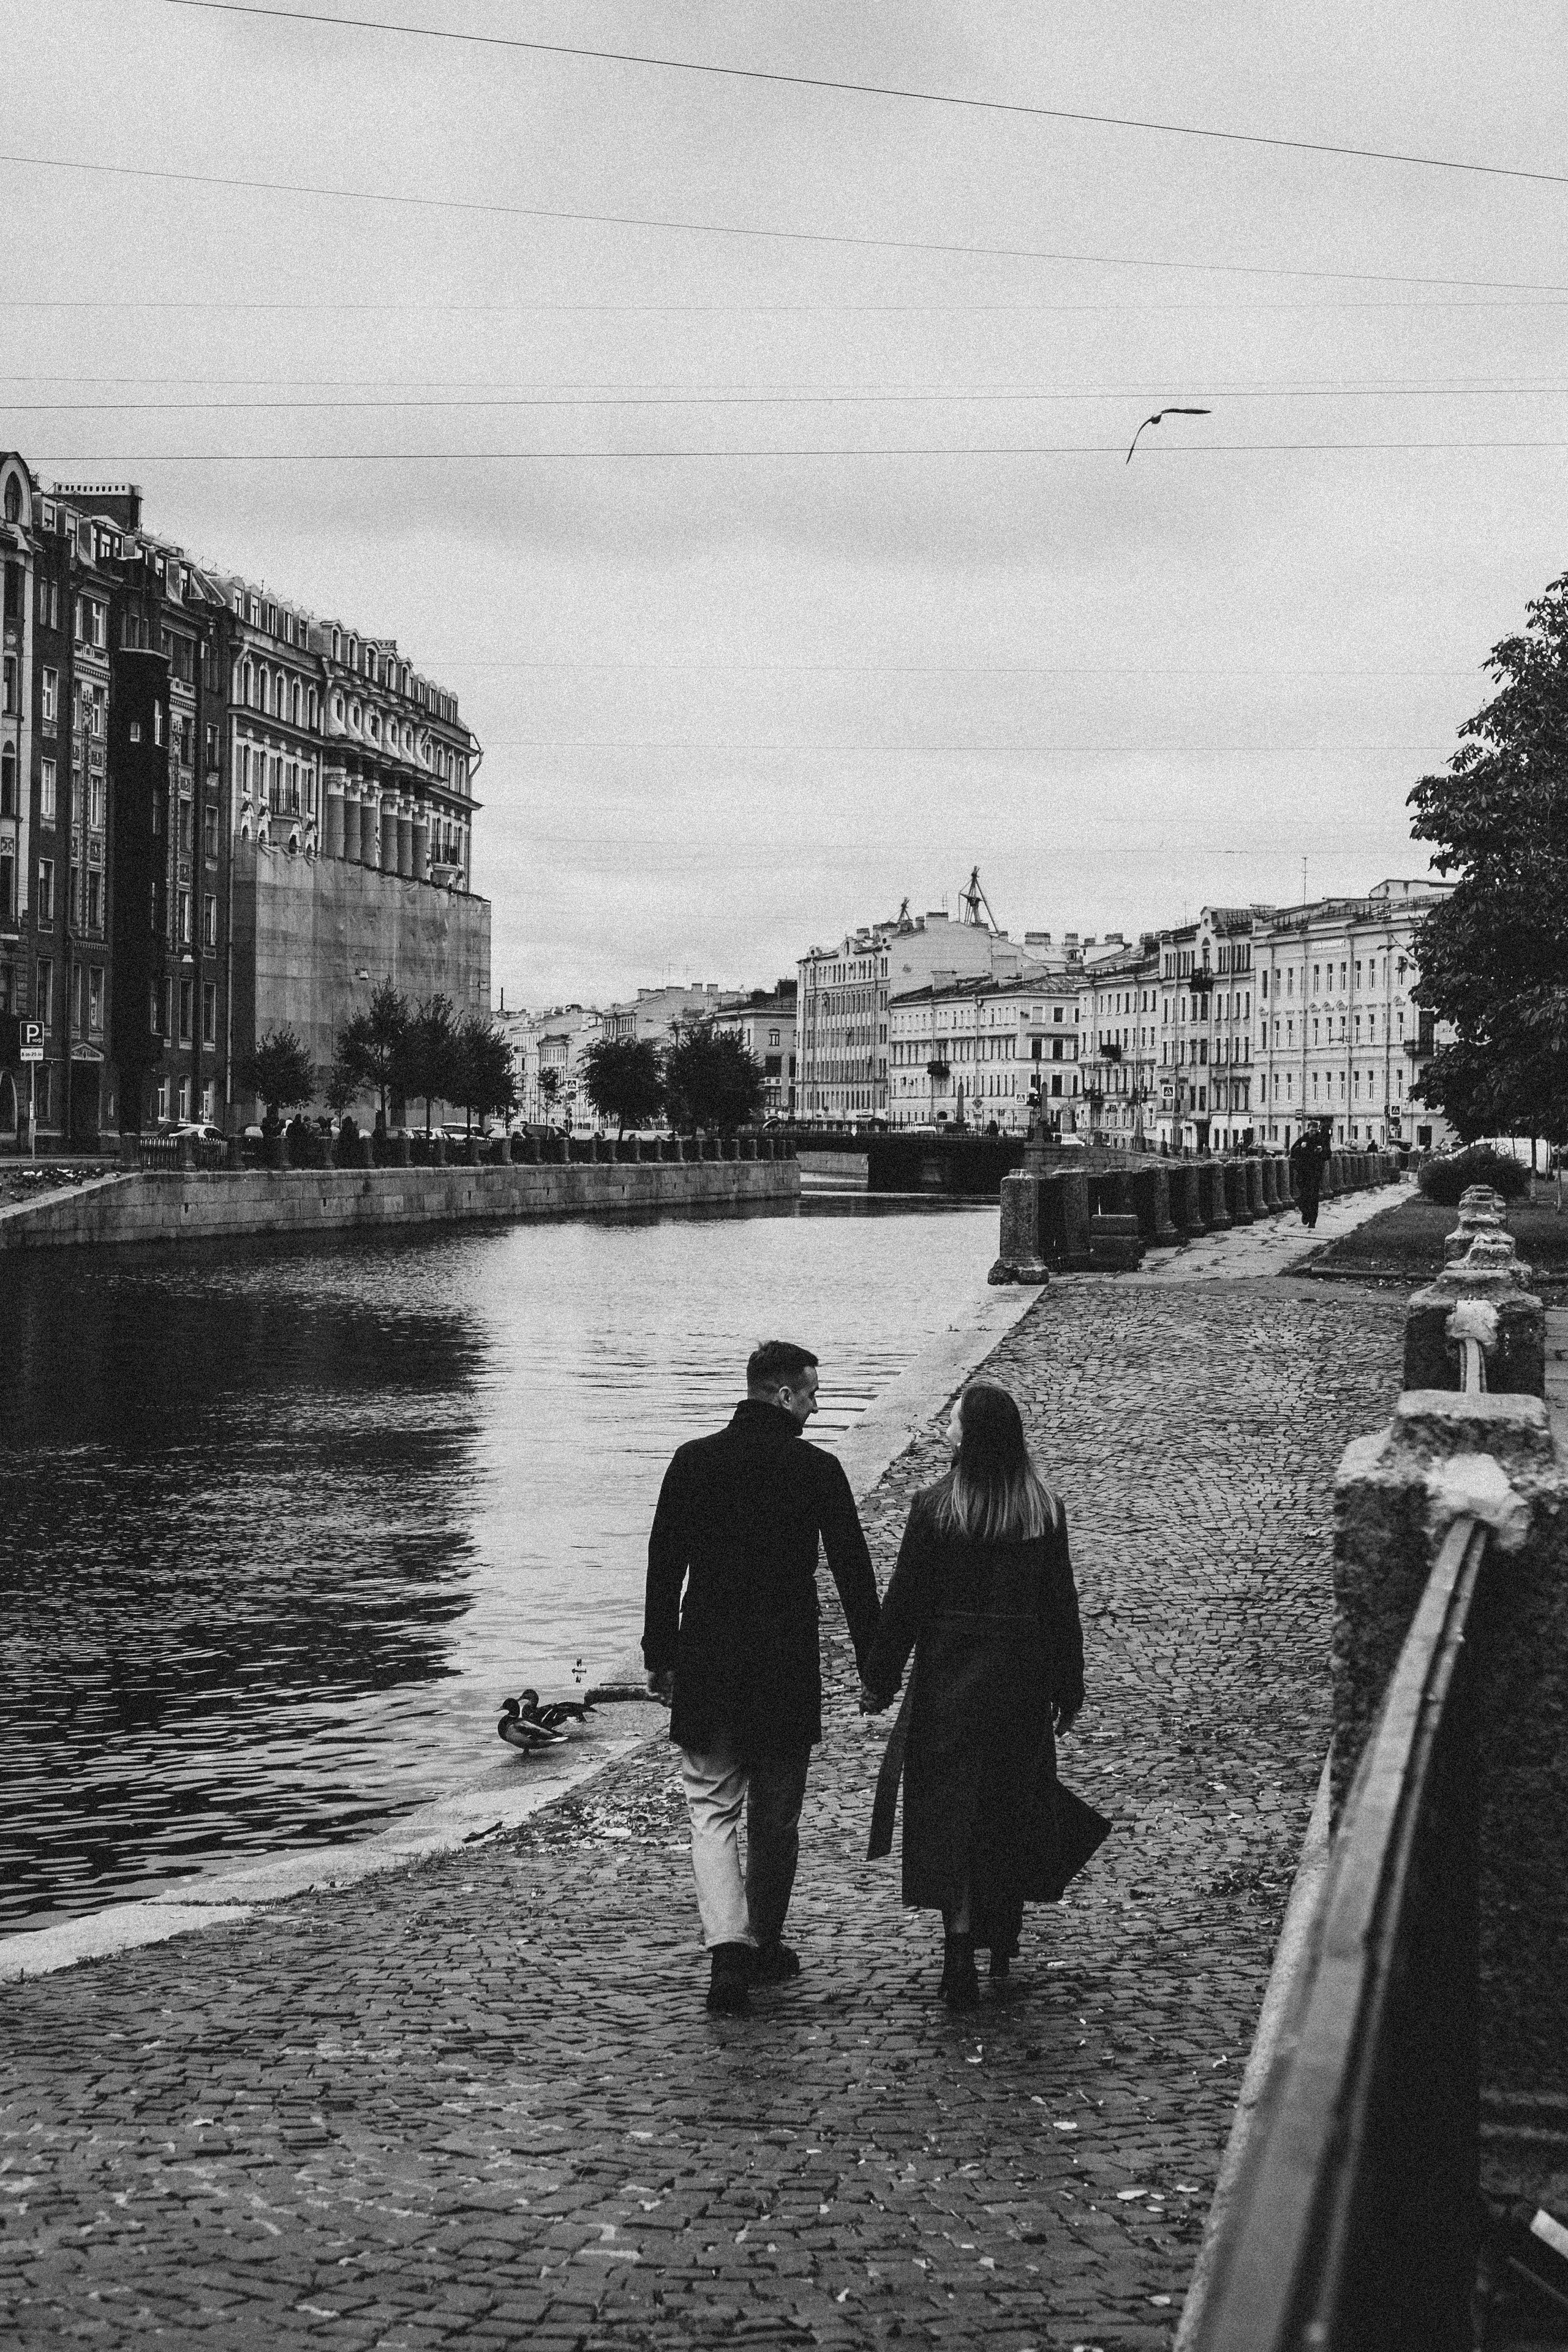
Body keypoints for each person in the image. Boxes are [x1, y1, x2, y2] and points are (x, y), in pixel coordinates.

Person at [643, 1339, 881, 2017]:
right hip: (783, 1666)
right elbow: (852, 1573)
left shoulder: (692, 1462)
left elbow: (665, 1565)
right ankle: (765, 1943)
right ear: (781, 1394)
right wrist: (875, 1666)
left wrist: (660, 1656)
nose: (816, 1402)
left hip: (709, 1661)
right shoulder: (817, 1469)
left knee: (711, 1811)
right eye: (811, 1392)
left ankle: (728, 1952)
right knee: (775, 1818)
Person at [861, 1381, 1094, 2011]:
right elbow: (1060, 1605)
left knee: (951, 1814)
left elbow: (904, 1603)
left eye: (954, 1420)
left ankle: (958, 1949)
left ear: (973, 1434)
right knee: (1007, 1807)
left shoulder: (935, 1508)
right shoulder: (1043, 1510)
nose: (945, 1428)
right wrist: (1067, 1685)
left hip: (950, 1684)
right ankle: (1002, 1935)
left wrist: (879, 1680)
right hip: (1019, 1683)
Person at [1291, 1120, 1330, 1229]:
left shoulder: (1321, 1140)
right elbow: (1293, 1152)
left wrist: (1322, 1151)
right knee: (1304, 1195)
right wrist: (1301, 1148)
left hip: (1315, 1173)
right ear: (1308, 1129)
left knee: (1313, 1197)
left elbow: (1328, 1154)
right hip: (1303, 1172)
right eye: (1312, 1130)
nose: (1314, 1132)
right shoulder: (1303, 1140)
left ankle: (1312, 1221)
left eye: (1315, 1130)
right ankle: (1305, 1213)